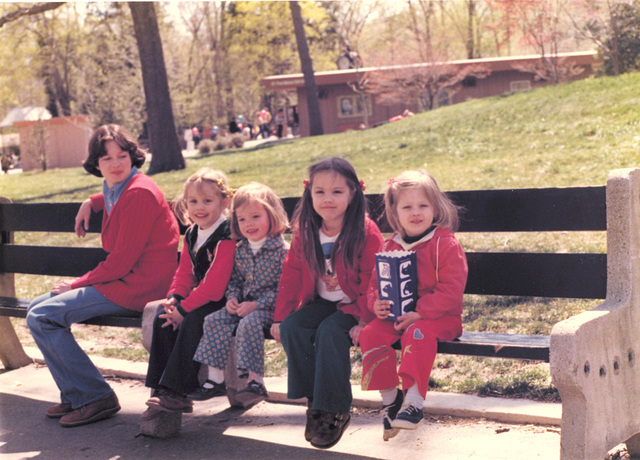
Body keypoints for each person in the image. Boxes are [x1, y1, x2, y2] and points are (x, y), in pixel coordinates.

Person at [26, 124, 180, 427]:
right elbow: (114, 196)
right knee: (35, 309)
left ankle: (95, 396)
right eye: (107, 159)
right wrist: (92, 201)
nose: (116, 164)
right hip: (125, 280)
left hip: (142, 287)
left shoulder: (138, 193)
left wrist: (76, 283)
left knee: (42, 316)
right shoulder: (118, 189)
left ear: (133, 156)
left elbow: (121, 262)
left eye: (122, 156)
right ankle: (76, 393)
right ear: (96, 165)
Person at [270, 157, 384, 449]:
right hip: (322, 302)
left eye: (337, 192)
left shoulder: (365, 230)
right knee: (295, 327)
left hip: (356, 305)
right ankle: (316, 404)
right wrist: (280, 318)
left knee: (330, 332)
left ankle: (335, 409)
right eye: (320, 192)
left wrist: (364, 320)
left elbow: (374, 278)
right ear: (309, 194)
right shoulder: (306, 230)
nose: (328, 199)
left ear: (353, 193)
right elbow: (291, 275)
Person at [359, 170, 468, 441]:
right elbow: (375, 283)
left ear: (435, 208)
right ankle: (390, 400)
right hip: (399, 315)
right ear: (395, 213)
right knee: (370, 333)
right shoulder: (390, 245)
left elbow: (451, 290)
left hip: (439, 318)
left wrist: (420, 312)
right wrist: (377, 305)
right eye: (407, 207)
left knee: (415, 332)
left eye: (423, 205)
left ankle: (414, 402)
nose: (416, 212)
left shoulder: (444, 243)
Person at [143, 168, 236, 416]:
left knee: (194, 320)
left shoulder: (227, 235)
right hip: (205, 298)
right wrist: (176, 298)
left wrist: (184, 309)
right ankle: (161, 390)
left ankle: (179, 390)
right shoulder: (193, 232)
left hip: (229, 299)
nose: (199, 207)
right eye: (193, 201)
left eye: (208, 201)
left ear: (224, 201)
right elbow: (185, 272)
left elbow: (216, 285)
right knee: (163, 317)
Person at [190, 182, 289, 407]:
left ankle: (255, 380)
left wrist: (257, 305)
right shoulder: (241, 250)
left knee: (249, 323)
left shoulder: (282, 251)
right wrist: (232, 298)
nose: (248, 224)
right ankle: (215, 379)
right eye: (242, 219)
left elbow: (285, 290)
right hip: (242, 305)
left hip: (270, 309)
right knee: (213, 320)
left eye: (255, 217)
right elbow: (235, 280)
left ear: (271, 216)